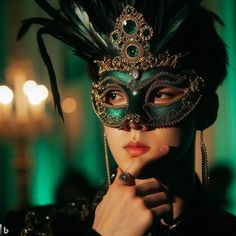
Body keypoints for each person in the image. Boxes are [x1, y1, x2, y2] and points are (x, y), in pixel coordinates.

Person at [5, 0, 236, 235]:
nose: (133, 120)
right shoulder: (31, 227)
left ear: (207, 111)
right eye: (114, 95)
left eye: (159, 94)